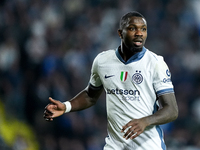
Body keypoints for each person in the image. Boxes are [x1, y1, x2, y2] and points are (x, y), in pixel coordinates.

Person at [44, 11, 178, 150]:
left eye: (143, 29)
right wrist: (66, 106)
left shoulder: (155, 63)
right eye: (133, 28)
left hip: (148, 146)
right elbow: (90, 96)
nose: (139, 33)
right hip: (115, 146)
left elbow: (172, 110)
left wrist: (145, 121)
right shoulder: (103, 61)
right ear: (120, 33)